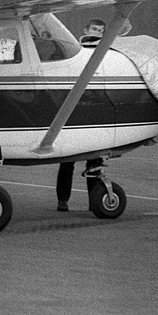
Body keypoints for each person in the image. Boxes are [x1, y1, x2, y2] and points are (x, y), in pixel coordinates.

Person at [56, 18, 107, 211]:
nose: (97, 33)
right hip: (75, 108)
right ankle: (62, 199)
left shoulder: (106, 52)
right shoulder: (74, 52)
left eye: (101, 31)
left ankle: (94, 202)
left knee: (95, 160)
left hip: (94, 108)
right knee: (68, 159)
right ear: (86, 29)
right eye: (94, 29)